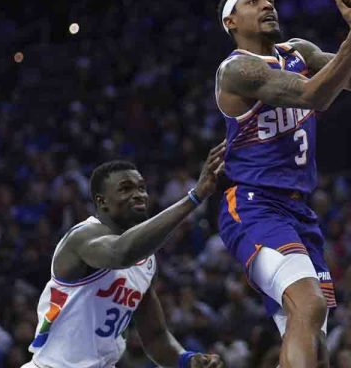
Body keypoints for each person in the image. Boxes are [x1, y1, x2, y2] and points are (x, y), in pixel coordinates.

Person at [213, 0, 351, 368]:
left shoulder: (298, 50)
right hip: (252, 205)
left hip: (298, 212)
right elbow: (315, 95)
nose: (267, 5)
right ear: (231, 22)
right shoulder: (237, 71)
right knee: (309, 305)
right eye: (254, 2)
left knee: (315, 344)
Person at [23, 144, 226, 368]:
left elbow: (156, 337)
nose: (138, 195)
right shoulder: (82, 238)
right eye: (126, 188)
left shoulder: (146, 262)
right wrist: (194, 198)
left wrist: (187, 360)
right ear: (102, 202)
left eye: (141, 188)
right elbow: (121, 253)